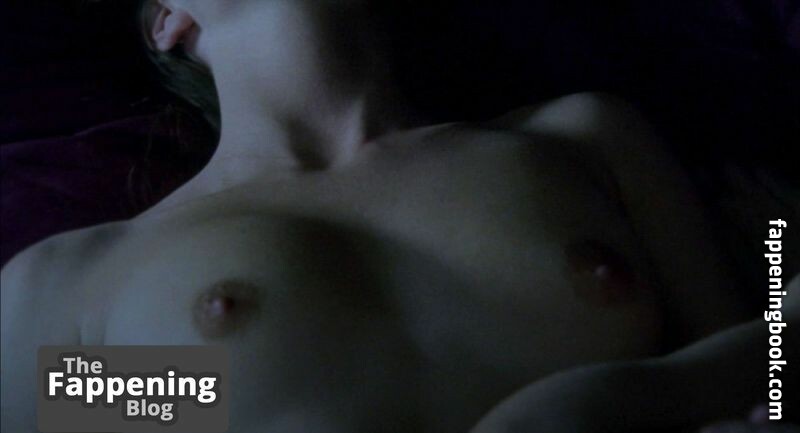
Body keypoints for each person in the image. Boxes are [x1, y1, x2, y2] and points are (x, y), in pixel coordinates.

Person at [2, 1, 797, 431]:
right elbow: (140, 404)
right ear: (168, 19)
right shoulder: (70, 276)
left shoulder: (583, 139)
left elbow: (771, 378)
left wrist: (622, 399)